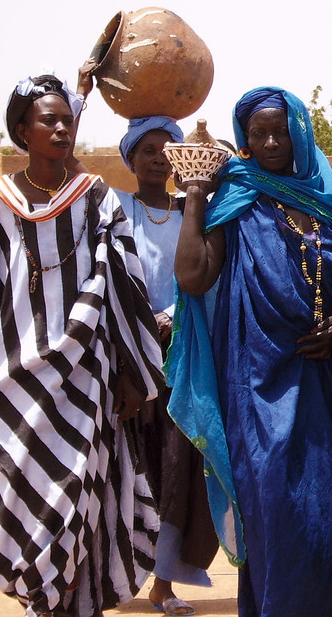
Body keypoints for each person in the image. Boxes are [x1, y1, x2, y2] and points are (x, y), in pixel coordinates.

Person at [0, 74, 165, 617]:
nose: (62, 128)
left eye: (68, 119)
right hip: (9, 381)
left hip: (84, 382)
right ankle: (45, 601)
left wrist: (131, 373)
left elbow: (124, 285)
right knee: (21, 494)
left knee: (79, 502)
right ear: (23, 131)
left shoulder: (96, 200)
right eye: (48, 120)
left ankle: (72, 605)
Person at [167, 87, 332, 617]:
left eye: (280, 131)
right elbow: (194, 276)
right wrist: (197, 196)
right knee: (280, 511)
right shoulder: (237, 201)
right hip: (260, 388)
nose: (269, 142)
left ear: (300, 132)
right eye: (257, 133)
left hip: (331, 386)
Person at [114, 117, 218, 616]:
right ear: (130, 158)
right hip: (126, 360)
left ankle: (164, 583)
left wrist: (170, 316)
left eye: (167, 149)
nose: (158, 158)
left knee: (176, 468)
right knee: (125, 465)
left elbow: (203, 272)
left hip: (181, 356)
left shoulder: (193, 212)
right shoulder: (114, 207)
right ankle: (107, 576)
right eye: (147, 149)